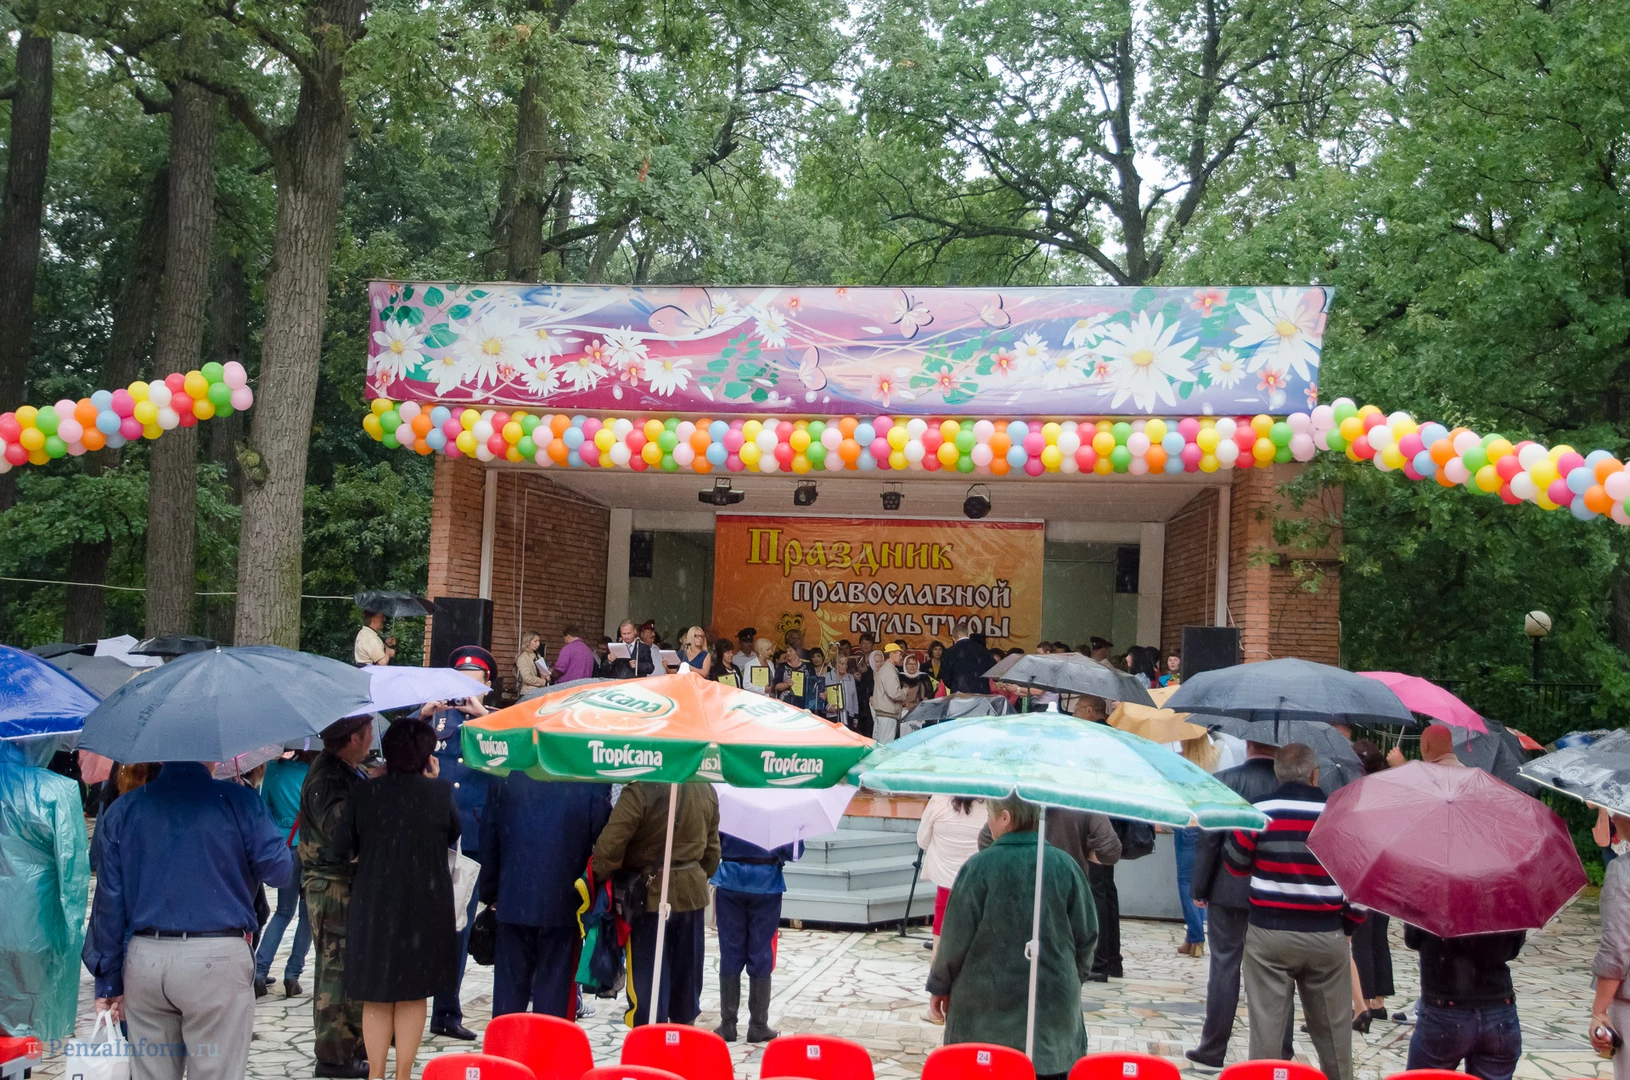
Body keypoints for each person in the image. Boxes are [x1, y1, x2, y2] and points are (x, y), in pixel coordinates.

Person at [83, 754, 294, 1080]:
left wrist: (108, 980)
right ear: (212, 753)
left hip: (146, 959)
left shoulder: (125, 809)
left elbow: (109, 902)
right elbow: (279, 871)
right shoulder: (239, 800)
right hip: (217, 958)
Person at [927, 793, 1097, 1080]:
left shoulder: (978, 867)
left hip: (983, 1015)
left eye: (990, 816)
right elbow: (1088, 936)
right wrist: (1068, 977)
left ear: (1005, 818)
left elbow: (954, 938)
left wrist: (940, 985)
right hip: (1052, 1018)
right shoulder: (1066, 866)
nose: (988, 824)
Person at [1223, 743, 1358, 1080]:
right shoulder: (1339, 815)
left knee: (1266, 1033)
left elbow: (1235, 865)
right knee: (1334, 1035)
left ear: (1277, 773)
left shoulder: (1260, 811)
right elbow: (1359, 879)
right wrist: (1349, 925)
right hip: (1326, 934)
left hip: (1269, 933)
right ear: (1315, 774)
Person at [336, 719, 460, 1080]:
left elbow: (342, 846)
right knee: (412, 992)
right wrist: (432, 782)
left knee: (376, 993)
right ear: (426, 756)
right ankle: (403, 1074)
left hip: (375, 903)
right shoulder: (438, 794)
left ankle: (376, 1073)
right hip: (424, 905)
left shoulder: (365, 793)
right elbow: (454, 831)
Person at [1188, 738, 1291, 1068]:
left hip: (1227, 888)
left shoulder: (1224, 781)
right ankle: (1281, 1050)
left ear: (1248, 744)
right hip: (1274, 890)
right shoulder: (1288, 786)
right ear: (1278, 748)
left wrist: (1200, 887)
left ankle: (1213, 1048)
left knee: (1224, 966)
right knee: (1278, 973)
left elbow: (1209, 839)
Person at [480, 769, 612, 1016]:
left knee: (509, 997)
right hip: (562, 898)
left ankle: (508, 1042)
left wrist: (491, 892)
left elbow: (489, 834)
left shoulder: (508, 770)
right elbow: (604, 838)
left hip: (514, 896)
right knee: (555, 997)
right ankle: (545, 1043)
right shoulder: (588, 775)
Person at [592, 781, 721, 1027]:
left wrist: (601, 877)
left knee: (649, 990)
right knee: (686, 986)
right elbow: (712, 852)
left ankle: (650, 1045)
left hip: (647, 899)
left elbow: (608, 848)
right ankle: (682, 1042)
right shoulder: (705, 788)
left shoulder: (640, 789)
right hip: (691, 896)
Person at [419, 645, 494, 1040]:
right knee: (419, 923)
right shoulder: (433, 720)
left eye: (473, 683)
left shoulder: (496, 721)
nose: (464, 691)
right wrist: (422, 717)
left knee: (458, 926)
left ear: (487, 686)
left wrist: (484, 717)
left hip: (473, 835)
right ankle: (408, 1003)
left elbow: (515, 758)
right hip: (432, 833)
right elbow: (399, 748)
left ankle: (446, 1010)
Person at [301, 714, 376, 1078]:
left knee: (350, 967)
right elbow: (342, 834)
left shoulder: (345, 770)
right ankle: (334, 1057)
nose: (372, 737)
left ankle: (353, 1045)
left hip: (346, 884)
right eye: (368, 731)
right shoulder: (327, 778)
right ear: (354, 738)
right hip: (332, 886)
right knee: (336, 971)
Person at [0, 738, 88, 1041]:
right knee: (29, 1023)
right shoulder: (57, 790)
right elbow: (73, 869)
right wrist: (73, 933)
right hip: (36, 924)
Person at [1403, 923, 1525, 1080]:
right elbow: (1513, 948)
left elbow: (1413, 938)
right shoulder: (1504, 906)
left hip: (1446, 1006)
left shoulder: (1436, 906)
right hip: (1498, 1009)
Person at [711, 835, 800, 1043]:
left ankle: (728, 1024)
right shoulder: (781, 816)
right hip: (766, 884)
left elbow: (713, 842)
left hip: (730, 881)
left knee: (730, 952)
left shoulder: (729, 813)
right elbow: (794, 853)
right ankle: (758, 1025)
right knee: (761, 952)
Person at [255, 750, 316, 999]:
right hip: (312, 849)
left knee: (283, 911)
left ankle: (260, 971)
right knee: (307, 915)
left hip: (286, 847)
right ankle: (292, 976)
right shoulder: (314, 773)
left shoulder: (272, 771)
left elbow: (265, 811)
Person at [917, 795, 990, 995]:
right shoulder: (991, 805)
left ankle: (937, 997)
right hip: (979, 885)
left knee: (940, 944)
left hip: (946, 884)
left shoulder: (938, 801)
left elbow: (922, 841)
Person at [1349, 739, 1394, 1032]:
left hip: (1364, 869)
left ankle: (1362, 1002)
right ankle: (1378, 1000)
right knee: (1378, 936)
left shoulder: (1358, 794)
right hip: (1386, 870)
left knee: (1361, 938)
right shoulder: (1389, 792)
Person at [1174, 733, 1220, 959]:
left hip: (1187, 823)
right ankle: (1192, 939)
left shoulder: (1180, 761)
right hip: (1210, 823)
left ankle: (1195, 935)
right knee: (1205, 876)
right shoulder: (1215, 757)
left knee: (1185, 881)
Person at [1592, 809, 1630, 1077]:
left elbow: (1617, 948)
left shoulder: (1623, 871)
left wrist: (1599, 1011)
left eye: (1621, 811)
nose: (1614, 817)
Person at [937, 619, 990, 694]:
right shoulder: (983, 650)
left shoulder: (948, 652)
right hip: (981, 693)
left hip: (959, 693)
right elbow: (993, 670)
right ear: (968, 635)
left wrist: (954, 685)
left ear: (953, 638)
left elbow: (945, 677)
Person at [871, 642, 908, 743]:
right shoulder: (889, 670)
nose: (901, 657)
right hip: (887, 716)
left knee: (881, 744)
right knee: (886, 745)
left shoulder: (886, 669)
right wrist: (904, 692)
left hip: (884, 715)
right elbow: (894, 693)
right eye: (899, 654)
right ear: (892, 655)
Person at [773, 645, 820, 711]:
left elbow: (814, 684)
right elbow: (776, 687)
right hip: (786, 704)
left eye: (790, 651)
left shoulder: (808, 666)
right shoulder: (782, 666)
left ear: (797, 652)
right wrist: (786, 685)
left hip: (804, 704)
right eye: (787, 651)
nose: (788, 653)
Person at [515, 630, 550, 695]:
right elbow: (527, 678)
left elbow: (543, 672)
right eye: (535, 641)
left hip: (540, 691)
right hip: (528, 692)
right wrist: (543, 681)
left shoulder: (537, 655)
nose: (538, 644)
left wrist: (547, 675)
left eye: (538, 641)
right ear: (528, 642)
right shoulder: (523, 658)